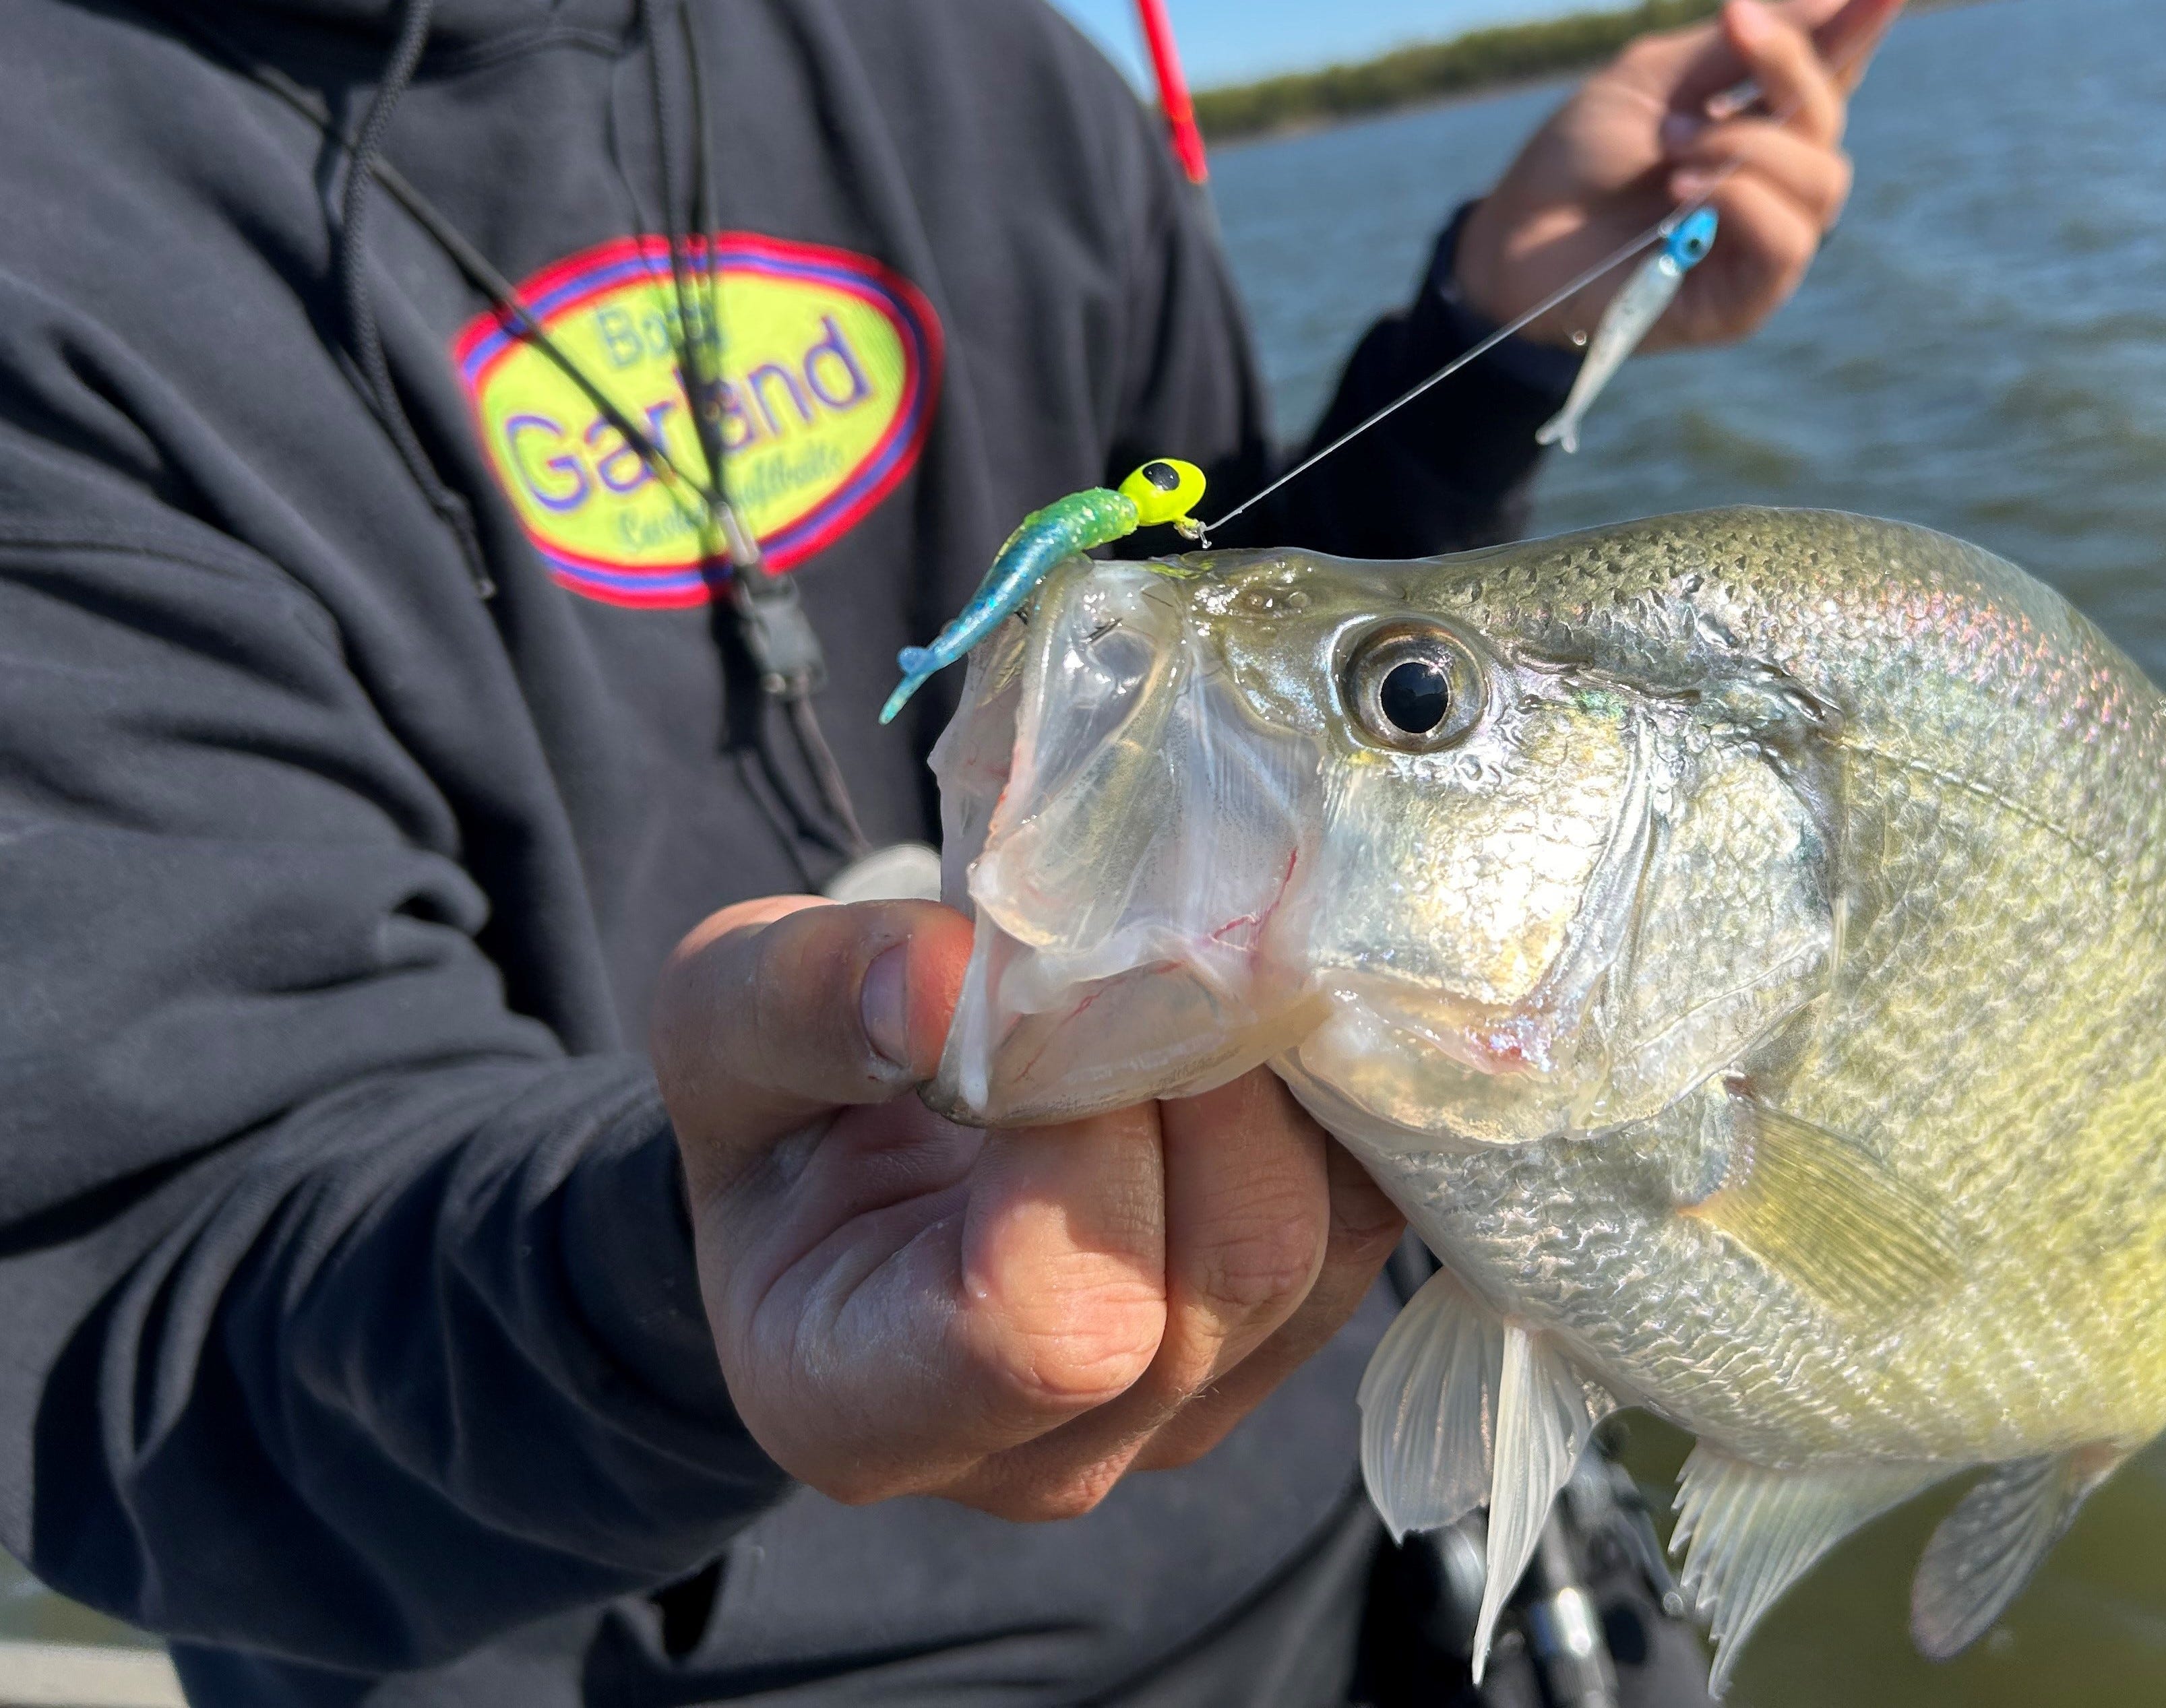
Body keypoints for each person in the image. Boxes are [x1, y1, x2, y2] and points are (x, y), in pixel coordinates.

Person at [0, 0, 1896, 1701]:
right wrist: (669, 1288)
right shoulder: (47, 234)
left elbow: (1251, 682)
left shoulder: (1001, 68)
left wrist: (1489, 342)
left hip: (1357, 1550)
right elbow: (149, 1302)